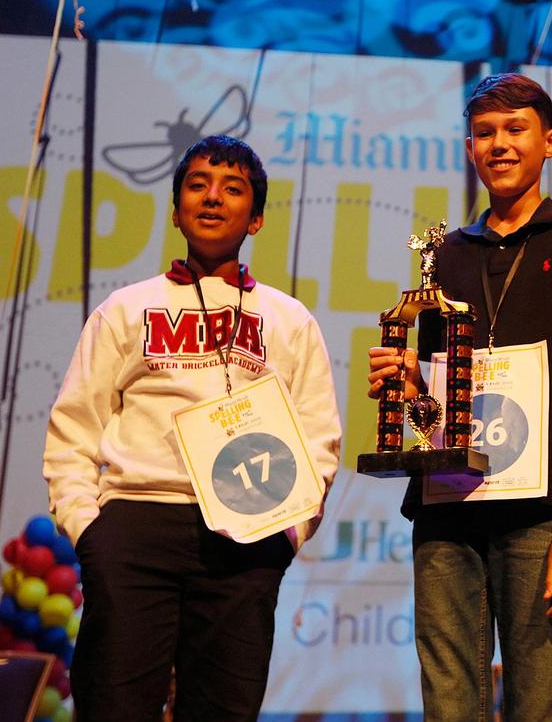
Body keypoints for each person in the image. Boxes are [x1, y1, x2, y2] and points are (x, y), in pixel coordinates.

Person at [43, 135, 342, 721]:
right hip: (135, 526)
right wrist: (90, 533)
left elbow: (318, 439)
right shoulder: (126, 308)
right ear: (176, 210)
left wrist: (288, 534)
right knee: (115, 707)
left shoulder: (289, 320)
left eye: (232, 189)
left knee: (224, 709)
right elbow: (74, 426)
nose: (212, 198)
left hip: (247, 537)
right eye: (197, 185)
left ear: (256, 219)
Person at [367, 73, 552, 721]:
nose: (500, 144)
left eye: (516, 129)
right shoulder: (448, 253)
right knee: (448, 701)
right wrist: (409, 389)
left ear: (550, 141)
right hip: (448, 507)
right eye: (485, 133)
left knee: (538, 704)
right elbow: (440, 403)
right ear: (469, 148)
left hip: (541, 513)